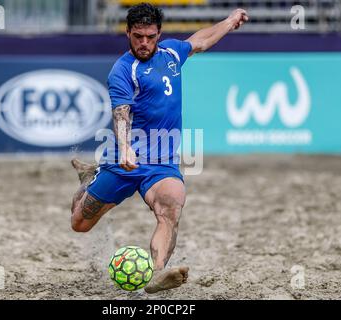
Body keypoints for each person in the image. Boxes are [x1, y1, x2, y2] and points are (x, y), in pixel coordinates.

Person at [71, 2, 248, 294]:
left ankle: (157, 272)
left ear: (159, 34)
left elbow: (200, 41)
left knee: (171, 206)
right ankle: (89, 179)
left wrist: (229, 21)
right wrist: (126, 147)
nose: (144, 43)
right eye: (138, 36)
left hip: (162, 161)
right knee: (79, 223)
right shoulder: (123, 70)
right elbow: (121, 112)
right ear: (127, 33)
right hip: (122, 160)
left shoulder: (171, 52)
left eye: (150, 36)